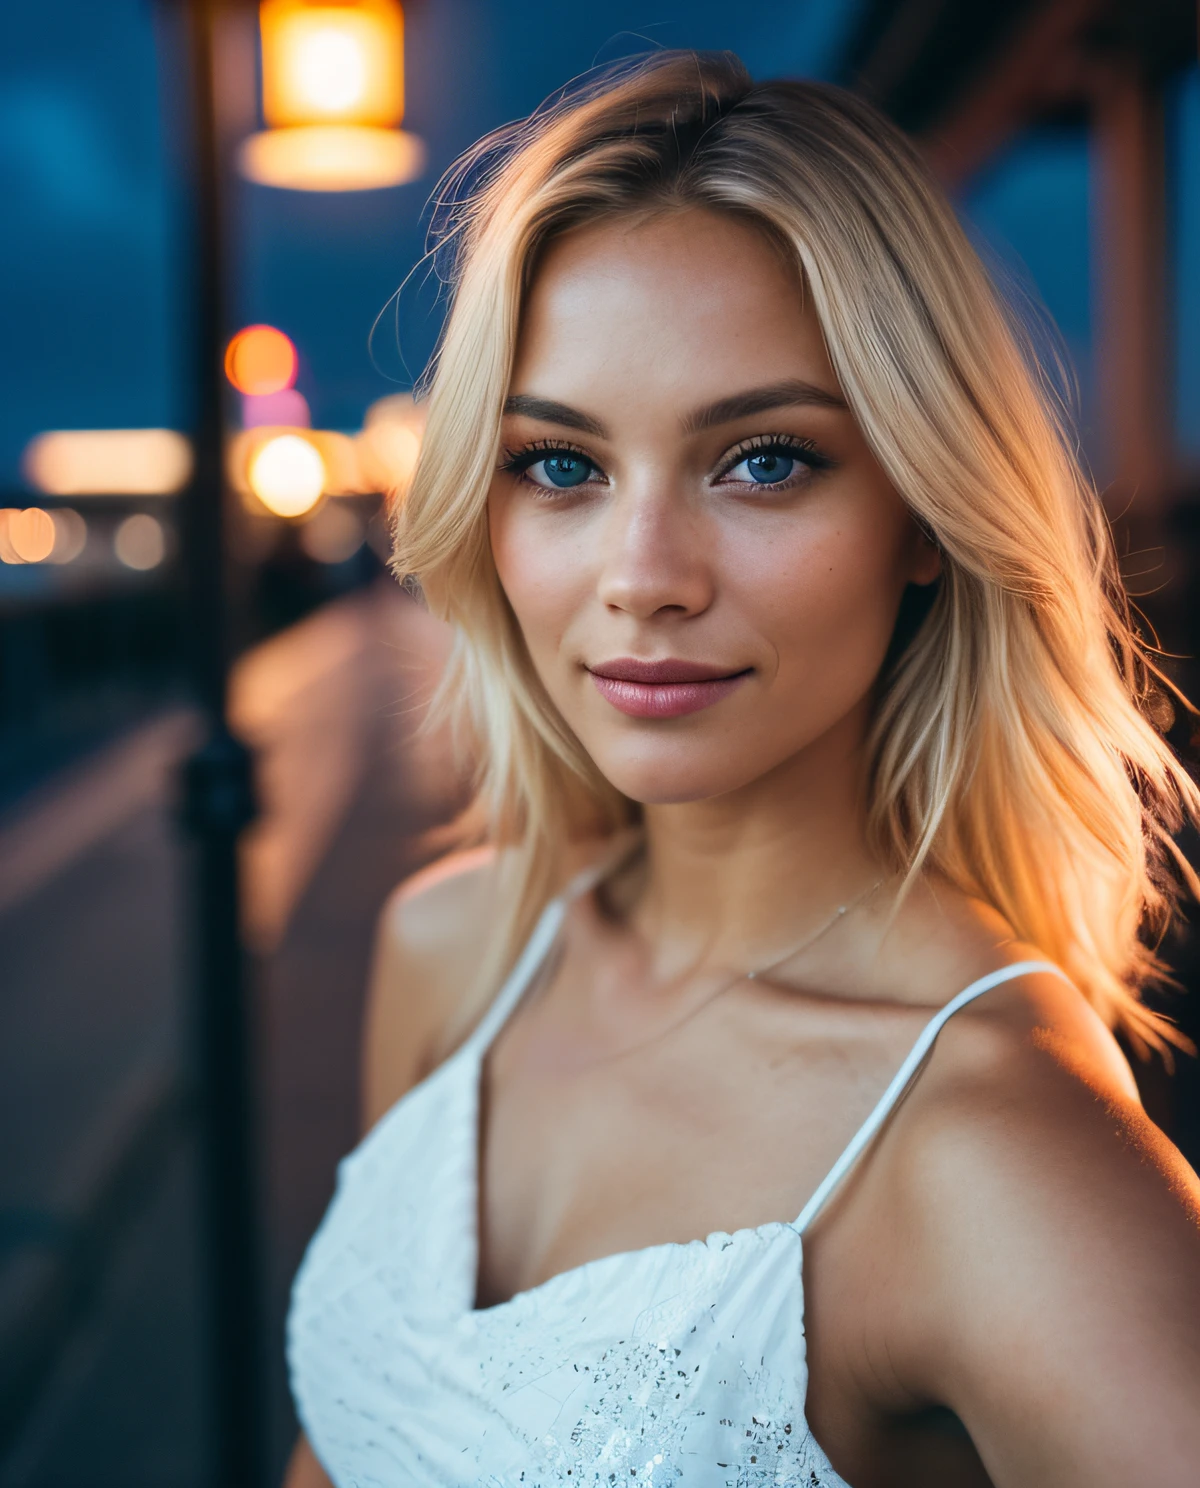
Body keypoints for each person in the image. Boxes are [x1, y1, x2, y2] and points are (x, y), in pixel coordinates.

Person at [283, 51, 1200, 1487]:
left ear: (924, 514)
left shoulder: (992, 1147)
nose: (642, 579)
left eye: (764, 461)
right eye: (562, 466)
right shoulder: (454, 944)